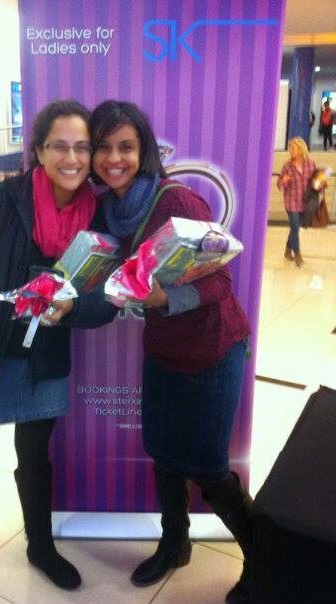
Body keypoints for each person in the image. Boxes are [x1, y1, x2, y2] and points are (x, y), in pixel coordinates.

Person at [0, 100, 116, 591]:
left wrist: (75, 307)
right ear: (39, 151)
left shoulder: (96, 215)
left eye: (82, 147)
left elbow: (104, 299)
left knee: (35, 457)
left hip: (44, 359)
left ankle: (40, 545)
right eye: (59, 146)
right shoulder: (1, 200)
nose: (72, 158)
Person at [90, 100, 252, 604]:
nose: (114, 158)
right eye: (103, 147)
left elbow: (221, 282)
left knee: (207, 466)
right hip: (162, 347)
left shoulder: (176, 201)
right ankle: (174, 544)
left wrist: (165, 300)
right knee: (162, 452)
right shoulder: (109, 209)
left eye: (126, 147)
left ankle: (267, 556)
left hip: (212, 347)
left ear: (144, 151)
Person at [277, 137, 316, 266]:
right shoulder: (287, 166)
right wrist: (283, 181)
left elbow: (315, 180)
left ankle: (287, 250)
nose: (291, 150)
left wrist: (320, 183)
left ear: (300, 149)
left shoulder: (310, 164)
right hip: (291, 202)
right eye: (290, 148)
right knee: (295, 227)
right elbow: (279, 184)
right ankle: (297, 253)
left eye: (293, 148)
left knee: (295, 228)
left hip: (304, 202)